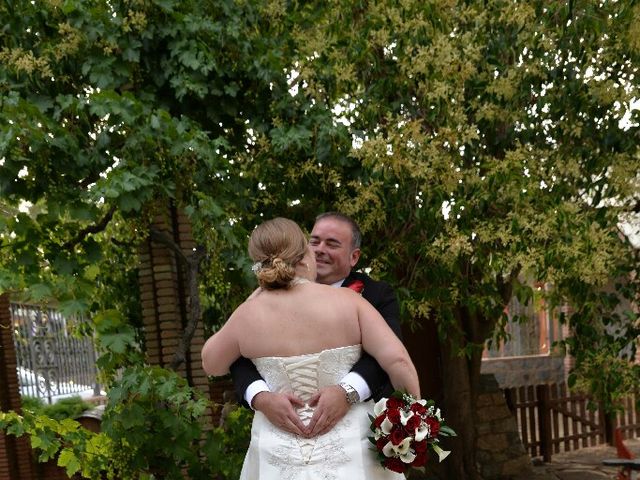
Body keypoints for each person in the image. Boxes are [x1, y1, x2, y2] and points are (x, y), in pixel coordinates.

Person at [202, 217, 419, 479]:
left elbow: (211, 363)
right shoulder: (350, 303)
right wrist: (414, 422)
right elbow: (398, 362)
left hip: (277, 456)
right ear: (304, 255)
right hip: (352, 452)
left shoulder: (247, 315)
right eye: (313, 243)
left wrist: (252, 301)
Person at [229, 212, 403, 437]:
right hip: (280, 433)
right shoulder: (266, 297)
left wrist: (347, 392)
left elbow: (389, 356)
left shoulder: (377, 294)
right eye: (314, 241)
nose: (320, 249)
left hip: (356, 431)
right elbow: (237, 356)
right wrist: (260, 397)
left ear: (354, 257)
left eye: (332, 244)